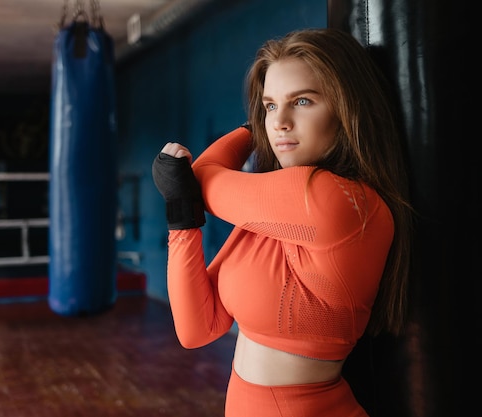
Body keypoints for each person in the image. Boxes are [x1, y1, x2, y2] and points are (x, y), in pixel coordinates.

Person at [152, 27, 412, 417]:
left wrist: (247, 134)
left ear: (346, 108)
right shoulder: (276, 217)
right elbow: (197, 329)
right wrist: (181, 221)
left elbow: (202, 176)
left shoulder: (337, 200)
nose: (280, 122)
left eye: (302, 101)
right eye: (270, 106)